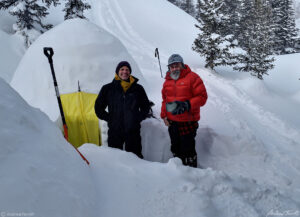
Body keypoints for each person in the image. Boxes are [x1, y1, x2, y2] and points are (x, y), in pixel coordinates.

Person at [94, 61, 151, 158]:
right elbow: (98, 107)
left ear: (130, 72)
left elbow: (145, 106)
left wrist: (137, 118)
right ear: (117, 71)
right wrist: (110, 118)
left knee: (135, 158)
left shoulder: (138, 89)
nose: (125, 72)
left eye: (127, 70)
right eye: (122, 69)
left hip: (133, 131)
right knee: (115, 159)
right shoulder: (108, 88)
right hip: (115, 131)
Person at [161, 54, 208, 167]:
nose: (174, 68)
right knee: (175, 148)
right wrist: (164, 116)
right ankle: (178, 172)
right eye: (172, 66)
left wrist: (187, 104)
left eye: (176, 65)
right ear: (169, 68)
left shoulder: (193, 77)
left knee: (188, 150)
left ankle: (192, 173)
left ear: (182, 65)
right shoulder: (167, 82)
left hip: (187, 122)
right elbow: (165, 100)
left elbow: (202, 97)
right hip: (172, 123)